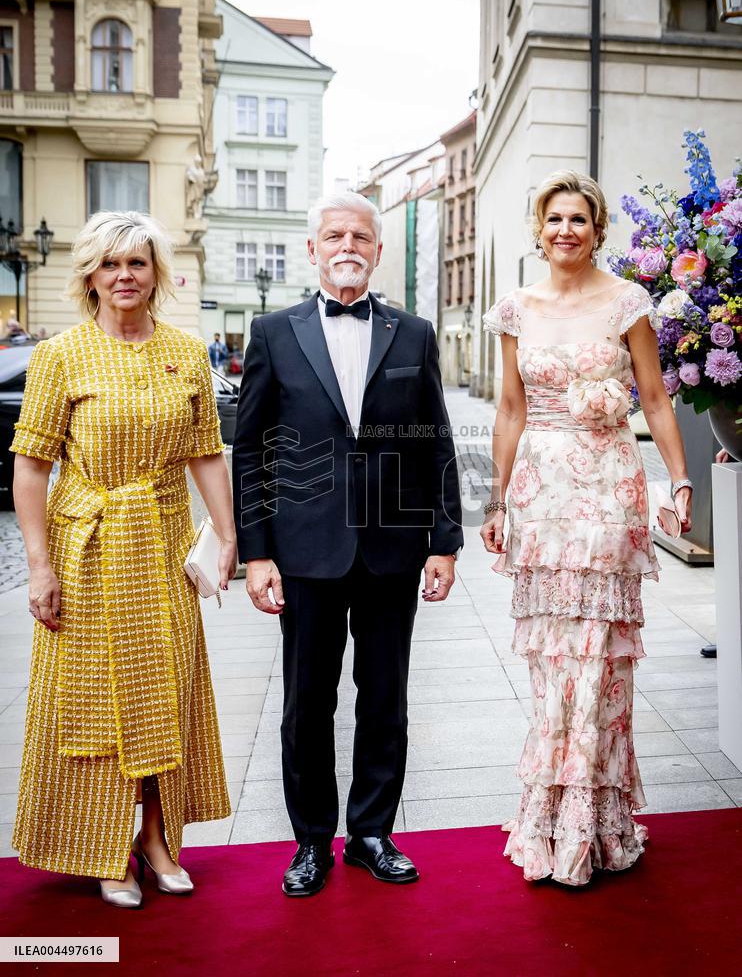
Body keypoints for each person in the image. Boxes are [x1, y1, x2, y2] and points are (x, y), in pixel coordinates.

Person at [233, 191, 463, 897]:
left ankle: (370, 832)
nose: (347, 245)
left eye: (360, 235)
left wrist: (444, 541)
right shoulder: (273, 332)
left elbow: (437, 442)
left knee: (385, 695)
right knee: (307, 702)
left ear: (378, 249)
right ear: (312, 248)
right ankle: (310, 842)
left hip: (393, 548)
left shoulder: (414, 334)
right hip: (304, 550)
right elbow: (252, 451)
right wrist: (257, 551)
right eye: (333, 233)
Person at [11, 211, 236, 908]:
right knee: (96, 702)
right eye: (110, 264)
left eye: (137, 263)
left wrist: (229, 539)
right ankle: (104, 848)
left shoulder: (187, 351)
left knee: (164, 693)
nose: (124, 276)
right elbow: (30, 467)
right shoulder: (60, 355)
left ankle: (157, 839)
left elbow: (205, 451)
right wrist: (39, 566)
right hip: (89, 549)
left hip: (164, 545)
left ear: (156, 273)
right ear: (90, 274)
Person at [480, 170, 693, 886]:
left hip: (608, 489)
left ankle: (594, 825)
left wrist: (680, 478)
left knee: (597, 658)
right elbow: (510, 409)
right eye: (554, 219)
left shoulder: (628, 302)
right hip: (540, 493)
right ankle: (546, 814)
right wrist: (495, 499)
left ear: (598, 230)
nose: (566, 230)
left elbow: (657, 399)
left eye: (579, 219)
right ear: (538, 230)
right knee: (552, 662)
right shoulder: (515, 308)